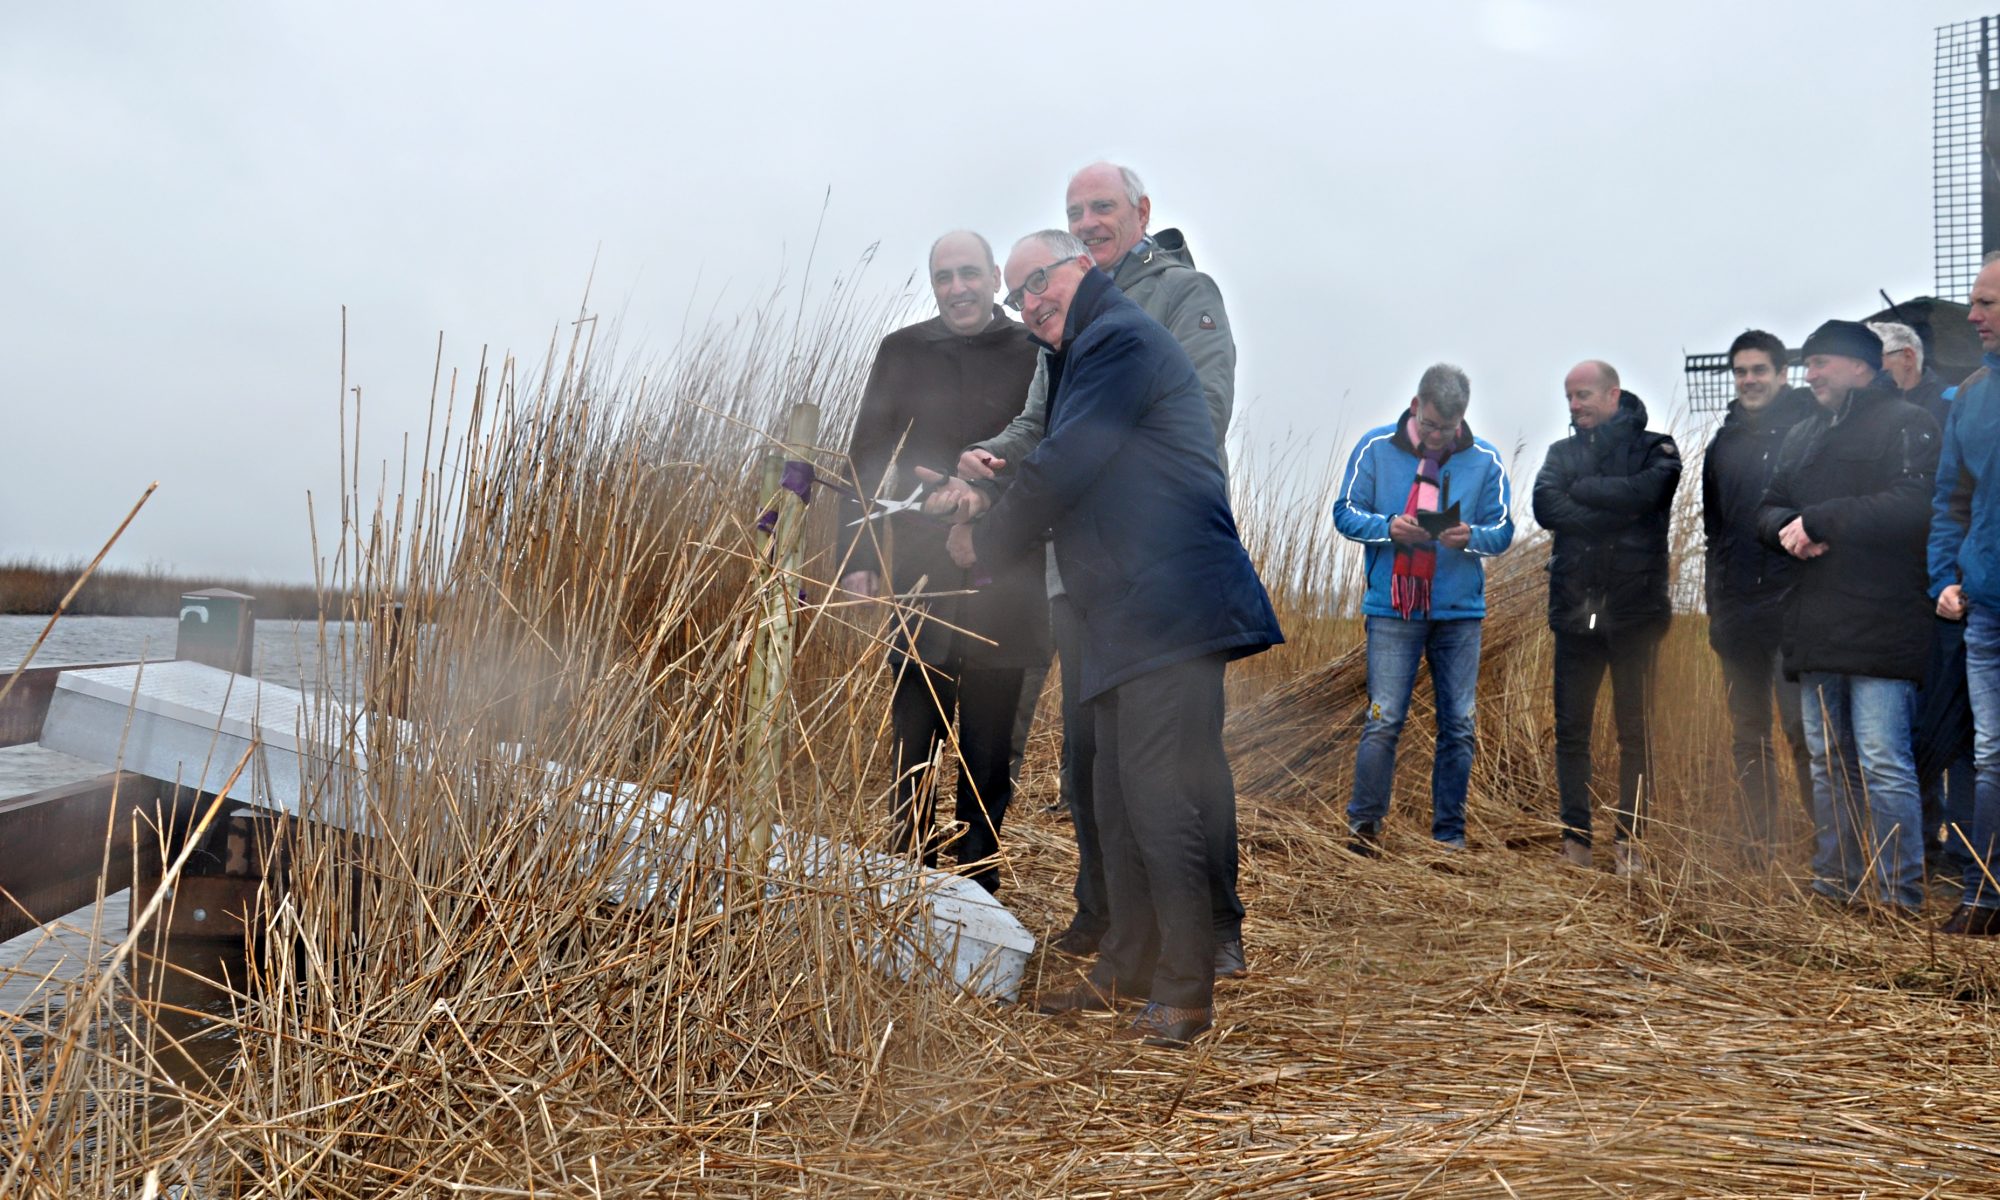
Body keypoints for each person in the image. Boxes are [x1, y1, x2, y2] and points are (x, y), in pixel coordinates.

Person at [943, 230, 1280, 1046]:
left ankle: (1186, 989)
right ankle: (1127, 964)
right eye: (1018, 293)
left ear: (1082, 269)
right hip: (1121, 607)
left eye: (1041, 281)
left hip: (1170, 600)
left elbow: (1065, 466)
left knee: (1161, 794)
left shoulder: (1119, 337)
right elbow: (1062, 461)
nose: (1031, 302)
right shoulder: (1076, 351)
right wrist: (993, 488)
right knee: (1115, 793)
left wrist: (983, 533)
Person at [837, 230, 1047, 894]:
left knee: (990, 744)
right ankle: (910, 881)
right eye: (943, 277)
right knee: (916, 729)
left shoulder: (1032, 349)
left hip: (1006, 568)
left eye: (969, 274)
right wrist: (858, 553)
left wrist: (988, 500)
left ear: (994, 279)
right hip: (922, 569)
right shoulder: (902, 351)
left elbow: (1048, 448)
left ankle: (978, 887)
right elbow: (867, 452)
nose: (956, 288)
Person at [1756, 319, 1939, 916]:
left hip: (1884, 618)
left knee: (1883, 762)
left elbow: (1915, 505)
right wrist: (1788, 533)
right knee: (1829, 764)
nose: (1808, 376)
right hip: (1816, 622)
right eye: (1806, 366)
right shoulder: (1803, 434)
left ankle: (1897, 898)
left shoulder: (1908, 423)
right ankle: (1835, 885)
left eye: (1820, 364)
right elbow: (1769, 506)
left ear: (1862, 366)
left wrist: (1820, 520)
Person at [1331, 363, 1515, 853]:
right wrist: (1388, 527)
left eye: (1448, 429)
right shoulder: (1374, 448)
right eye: (1431, 426)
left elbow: (1503, 531)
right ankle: (1364, 830)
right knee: (1384, 717)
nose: (1437, 438)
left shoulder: (1486, 460)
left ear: (1462, 420)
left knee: (1458, 724)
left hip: (1459, 614)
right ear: (1415, 407)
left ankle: (1448, 838)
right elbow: (1344, 513)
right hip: (1392, 609)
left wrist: (1469, 537)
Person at [1532, 361, 1682, 875]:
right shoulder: (1560, 453)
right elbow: (1544, 504)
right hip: (1577, 613)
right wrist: (1610, 507)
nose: (1575, 405)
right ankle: (1574, 844)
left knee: (1634, 732)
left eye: (1584, 394)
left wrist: (1584, 490)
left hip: (1635, 613)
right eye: (1569, 396)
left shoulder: (1657, 448)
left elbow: (1648, 494)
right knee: (1571, 730)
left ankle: (1630, 846)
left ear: (1613, 394)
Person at [1702, 330, 1820, 858]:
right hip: (1738, 612)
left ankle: (1826, 846)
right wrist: (1717, 606)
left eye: (1759, 370)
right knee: (1748, 735)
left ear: (1782, 373)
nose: (1749, 380)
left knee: (1801, 731)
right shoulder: (1723, 443)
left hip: (1792, 607)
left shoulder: (1809, 428)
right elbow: (1716, 531)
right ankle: (1759, 842)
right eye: (1741, 371)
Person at [1873, 320, 1979, 883]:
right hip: (1907, 591)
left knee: (1958, 727)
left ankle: (1966, 855)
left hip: (1949, 592)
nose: (1874, 368)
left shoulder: (1949, 402)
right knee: (1917, 727)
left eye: (1881, 357)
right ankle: (1930, 843)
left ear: (1907, 357)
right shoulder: (1873, 420)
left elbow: (1953, 496)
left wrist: (1949, 578)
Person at [1930, 253, 2000, 935]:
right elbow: (1952, 499)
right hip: (1988, 609)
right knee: (1991, 756)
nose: (1973, 316)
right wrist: (1945, 578)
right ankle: (1987, 893)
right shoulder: (1972, 398)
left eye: (1987, 303)